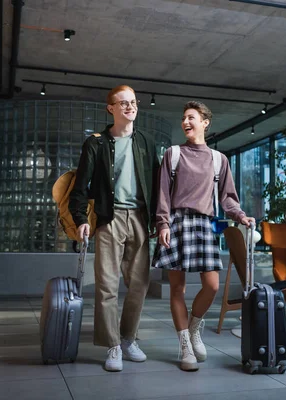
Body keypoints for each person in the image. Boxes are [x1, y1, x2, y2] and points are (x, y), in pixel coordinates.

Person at [151, 101, 254, 371]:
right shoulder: (173, 154)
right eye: (184, 117)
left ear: (205, 122)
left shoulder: (219, 160)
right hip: (175, 222)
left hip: (203, 224)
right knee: (177, 288)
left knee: (212, 286)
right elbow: (161, 193)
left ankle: (194, 326)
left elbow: (227, 198)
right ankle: (185, 344)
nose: (186, 122)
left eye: (192, 117)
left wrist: (240, 216)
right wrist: (162, 224)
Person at [69, 85, 159, 372]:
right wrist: (81, 218)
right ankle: (112, 346)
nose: (129, 107)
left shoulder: (146, 141)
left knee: (139, 284)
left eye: (133, 102)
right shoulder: (95, 143)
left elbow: (157, 185)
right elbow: (80, 185)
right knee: (107, 285)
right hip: (110, 217)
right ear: (111, 108)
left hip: (141, 218)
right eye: (123, 103)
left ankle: (128, 338)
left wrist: (159, 219)